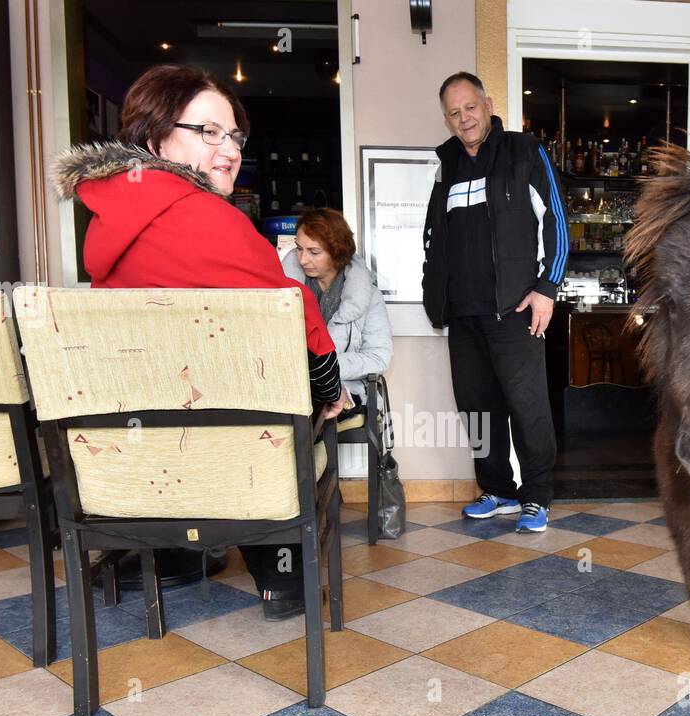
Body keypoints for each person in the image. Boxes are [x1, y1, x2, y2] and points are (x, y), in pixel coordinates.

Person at [54, 64, 348, 621]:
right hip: (228, 457)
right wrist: (329, 388)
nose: (230, 148)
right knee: (288, 410)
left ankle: (175, 556)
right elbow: (293, 310)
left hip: (136, 461)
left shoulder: (108, 225)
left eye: (234, 135)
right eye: (208, 132)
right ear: (153, 137)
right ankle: (282, 579)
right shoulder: (212, 219)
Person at [421, 71, 566, 532]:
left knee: (527, 406)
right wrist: (435, 293)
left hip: (515, 309)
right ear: (446, 118)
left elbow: (557, 223)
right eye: (454, 112)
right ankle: (499, 490)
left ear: (487, 104)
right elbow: (433, 238)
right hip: (463, 313)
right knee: (477, 407)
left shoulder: (524, 151)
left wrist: (547, 288)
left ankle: (537, 496)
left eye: (470, 107)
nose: (464, 118)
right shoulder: (446, 166)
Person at [280, 208, 393, 416]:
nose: (303, 259)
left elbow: (379, 356)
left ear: (337, 252)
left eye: (314, 252)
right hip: (289, 392)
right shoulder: (282, 292)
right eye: (299, 249)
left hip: (344, 392)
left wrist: (322, 370)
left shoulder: (369, 296)